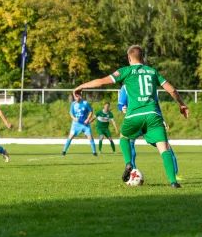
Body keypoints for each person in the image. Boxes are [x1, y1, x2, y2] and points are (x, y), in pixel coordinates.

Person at [74, 45, 188, 188]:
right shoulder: (152, 72)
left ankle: (129, 163)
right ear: (143, 58)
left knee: (124, 138)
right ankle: (173, 182)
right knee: (164, 148)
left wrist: (80, 86)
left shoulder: (125, 71)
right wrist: (182, 105)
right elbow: (172, 90)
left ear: (129, 58)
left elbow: (101, 81)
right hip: (153, 114)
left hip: (134, 114)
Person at [117, 85, 179, 176]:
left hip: (150, 121)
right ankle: (132, 173)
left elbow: (155, 104)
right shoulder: (126, 86)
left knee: (166, 146)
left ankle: (175, 174)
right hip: (136, 121)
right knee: (130, 145)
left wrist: (161, 119)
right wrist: (122, 108)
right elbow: (120, 103)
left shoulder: (148, 85)